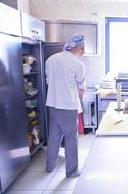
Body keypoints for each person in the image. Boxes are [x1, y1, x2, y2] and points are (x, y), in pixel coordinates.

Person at [45, 34, 86, 177]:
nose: (83, 52)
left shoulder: (51, 59)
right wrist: (78, 98)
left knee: (54, 137)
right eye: (82, 48)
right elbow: (81, 90)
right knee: (71, 139)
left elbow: (49, 82)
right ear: (76, 47)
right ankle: (71, 171)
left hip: (52, 104)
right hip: (68, 106)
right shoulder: (78, 64)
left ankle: (50, 167)